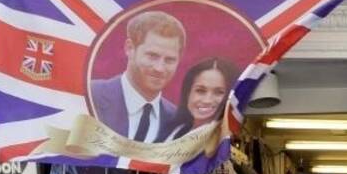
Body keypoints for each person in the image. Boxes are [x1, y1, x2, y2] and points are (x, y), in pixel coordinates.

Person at [89, 11, 185, 142]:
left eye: (169, 60)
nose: (159, 68)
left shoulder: (178, 121)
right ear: (129, 48)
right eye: (152, 56)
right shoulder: (90, 94)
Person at [166, 57, 239, 139]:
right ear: (187, 92)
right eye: (200, 91)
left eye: (219, 92)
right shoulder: (175, 130)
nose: (207, 100)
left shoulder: (226, 141)